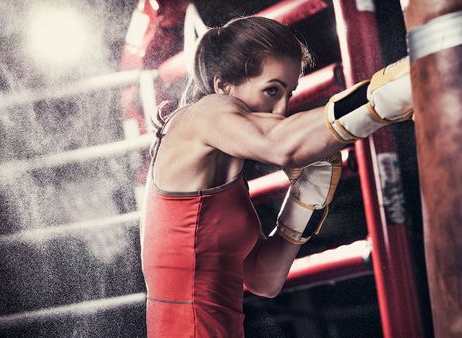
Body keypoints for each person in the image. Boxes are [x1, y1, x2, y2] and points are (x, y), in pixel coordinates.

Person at [140, 16, 412, 337]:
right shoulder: (202, 115)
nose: (280, 109)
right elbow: (280, 143)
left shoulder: (220, 178)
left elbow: (262, 278)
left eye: (289, 94)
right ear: (222, 86)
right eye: (271, 90)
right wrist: (388, 94)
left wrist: (304, 204)